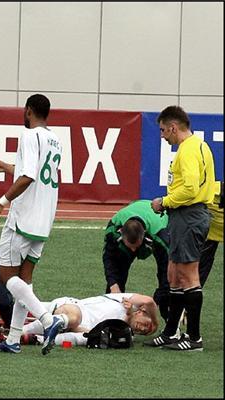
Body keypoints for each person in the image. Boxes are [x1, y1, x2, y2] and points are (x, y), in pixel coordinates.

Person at [0, 93, 67, 355]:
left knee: (6, 276)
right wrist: (8, 167)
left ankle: (47, 319)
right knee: (24, 279)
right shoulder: (56, 140)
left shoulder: (29, 136)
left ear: (29, 110)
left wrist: (1, 201)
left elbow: (29, 176)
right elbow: (37, 173)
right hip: (44, 219)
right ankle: (14, 338)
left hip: (23, 217)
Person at [145, 105, 215, 351]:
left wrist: (163, 202)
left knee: (188, 275)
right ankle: (171, 332)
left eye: (164, 131)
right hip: (184, 216)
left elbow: (190, 189)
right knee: (174, 274)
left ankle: (194, 338)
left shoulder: (187, 151)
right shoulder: (198, 145)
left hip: (189, 215)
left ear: (174, 127)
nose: (163, 136)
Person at [102, 199, 170, 321]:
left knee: (166, 283)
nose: (133, 250)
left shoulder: (160, 235)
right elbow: (108, 258)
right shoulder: (114, 226)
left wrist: (156, 300)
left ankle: (170, 327)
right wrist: (113, 284)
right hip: (135, 215)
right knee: (117, 277)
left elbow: (167, 270)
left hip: (158, 225)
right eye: (130, 246)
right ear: (121, 234)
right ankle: (113, 321)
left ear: (143, 236)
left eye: (136, 246)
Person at [20, 293, 159, 347]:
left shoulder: (124, 335)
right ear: (141, 311)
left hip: (75, 326)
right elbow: (149, 301)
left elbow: (92, 333)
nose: (142, 328)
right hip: (74, 307)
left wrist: (128, 317)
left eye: (143, 332)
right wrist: (156, 323)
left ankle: (35, 339)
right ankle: (20, 332)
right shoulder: (126, 301)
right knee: (74, 319)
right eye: (146, 324)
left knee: (88, 338)